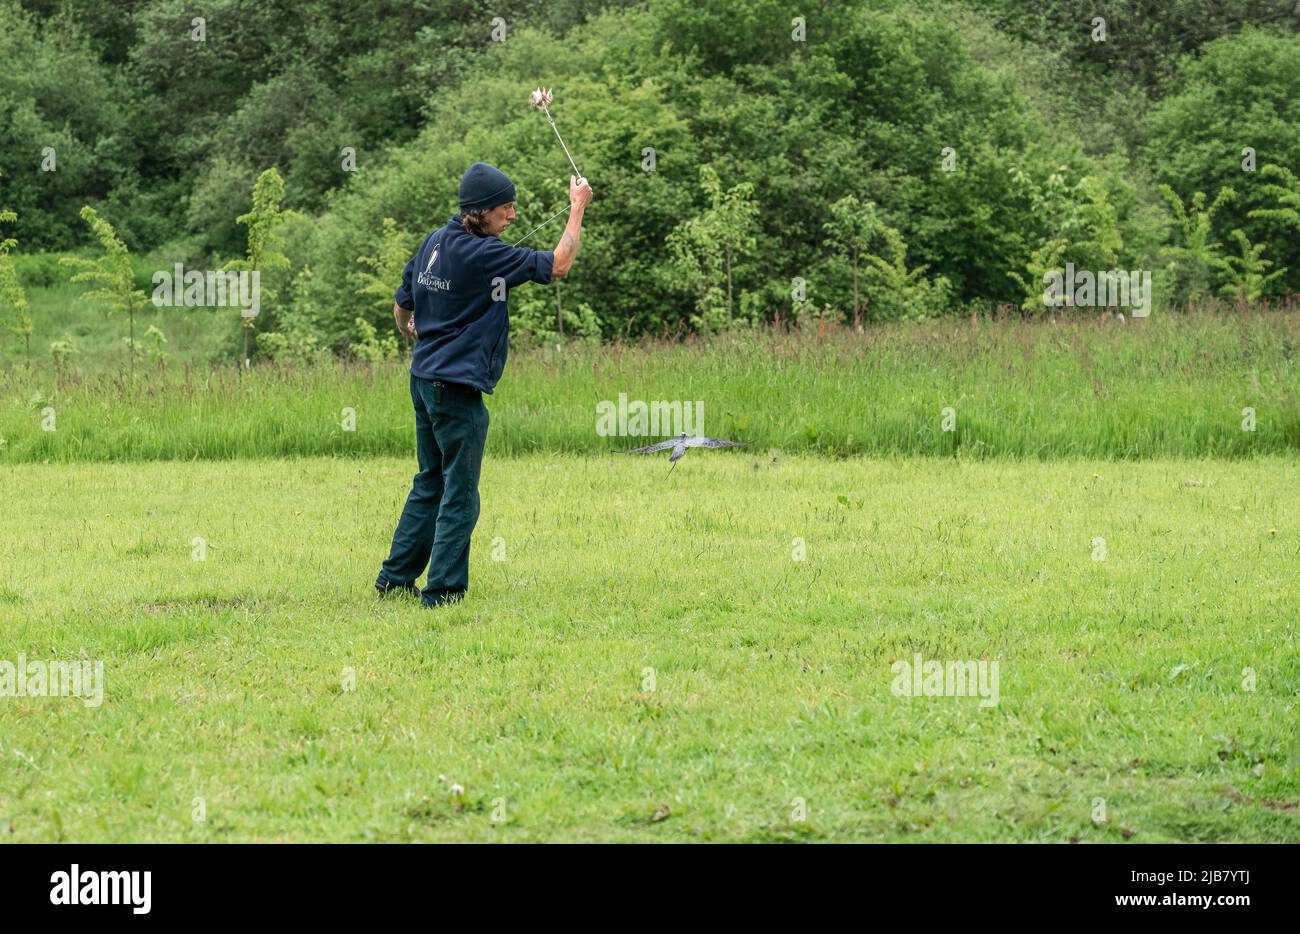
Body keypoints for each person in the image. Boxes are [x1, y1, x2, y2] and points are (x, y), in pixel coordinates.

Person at [375, 162, 594, 607]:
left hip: (422, 379)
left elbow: (402, 305)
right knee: (460, 493)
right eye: (506, 209)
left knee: (429, 481)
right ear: (481, 211)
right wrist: (577, 208)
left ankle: (395, 579)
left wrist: (411, 332)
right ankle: (443, 592)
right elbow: (558, 265)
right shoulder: (483, 255)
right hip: (455, 390)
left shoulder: (434, 242)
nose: (512, 217)